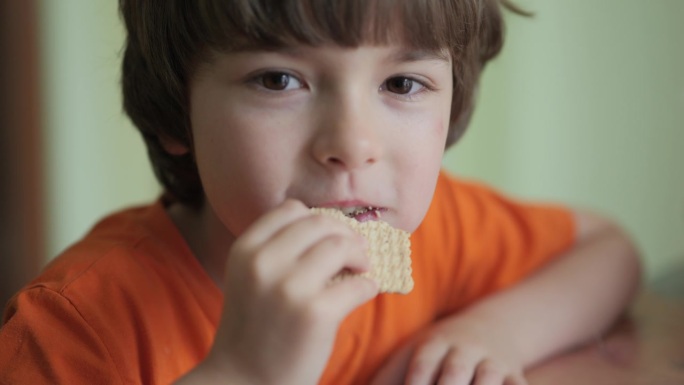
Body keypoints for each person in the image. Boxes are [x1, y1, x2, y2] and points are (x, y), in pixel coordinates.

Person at [0, 1, 641, 384]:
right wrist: (242, 375)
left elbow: (607, 251)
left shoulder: (441, 232)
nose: (353, 143)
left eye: (402, 84)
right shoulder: (77, 324)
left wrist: (494, 331)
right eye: (279, 79)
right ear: (176, 114)